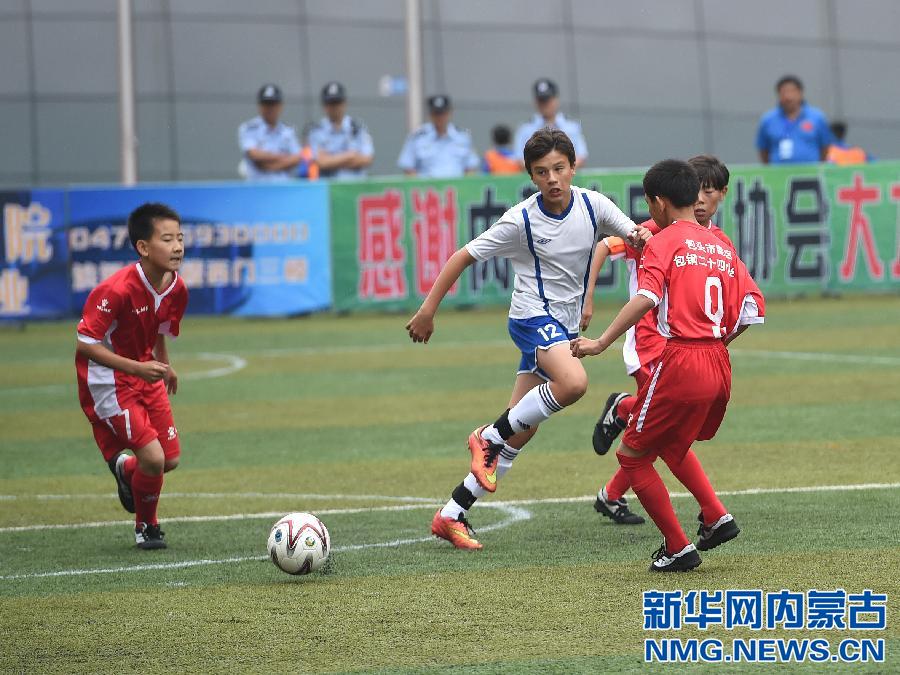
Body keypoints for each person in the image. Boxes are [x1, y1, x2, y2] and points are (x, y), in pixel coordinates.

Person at [406, 128, 650, 550]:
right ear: (531, 177)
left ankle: (452, 514)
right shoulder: (520, 219)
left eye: (559, 168)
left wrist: (641, 236)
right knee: (573, 383)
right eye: (542, 172)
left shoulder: (594, 205)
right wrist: (428, 310)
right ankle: (487, 436)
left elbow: (632, 234)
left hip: (563, 328)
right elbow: (462, 256)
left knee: (523, 427)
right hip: (531, 319)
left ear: (573, 167)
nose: (552, 178)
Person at [571, 159, 765, 572]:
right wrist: (716, 342)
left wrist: (602, 341)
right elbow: (750, 308)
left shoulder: (663, 240)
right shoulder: (720, 244)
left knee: (634, 457)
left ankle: (677, 546)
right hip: (719, 361)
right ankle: (715, 517)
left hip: (679, 357)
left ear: (658, 202)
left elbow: (647, 298)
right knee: (674, 444)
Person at [75, 203, 189, 550]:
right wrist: (137, 368)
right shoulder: (116, 290)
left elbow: (159, 327)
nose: (178, 247)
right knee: (152, 459)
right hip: (108, 380)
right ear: (143, 247)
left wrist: (163, 363)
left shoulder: (176, 287)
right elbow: (85, 343)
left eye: (180, 238)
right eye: (167, 239)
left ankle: (126, 471)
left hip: (145, 372)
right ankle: (147, 527)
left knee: (169, 459)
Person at [756, 75, 834, 164]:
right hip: (778, 174)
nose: (788, 97)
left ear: (800, 93)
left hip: (810, 173)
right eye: (784, 92)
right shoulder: (768, 120)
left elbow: (825, 146)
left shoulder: (817, 117)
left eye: (792, 91)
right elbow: (763, 150)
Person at [397, 95, 480, 178]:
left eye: (443, 113)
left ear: (450, 112)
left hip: (457, 189)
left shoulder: (462, 137)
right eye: (436, 113)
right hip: (428, 189)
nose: (440, 117)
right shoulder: (417, 138)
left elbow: (471, 168)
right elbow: (408, 168)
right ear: (430, 114)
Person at [514, 78, 588, 168]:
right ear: (535, 102)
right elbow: (519, 159)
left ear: (556, 100)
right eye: (541, 100)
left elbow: (581, 156)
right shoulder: (525, 128)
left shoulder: (571, 126)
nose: (545, 104)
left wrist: (560, 171)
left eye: (547, 100)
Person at [307, 81, 374, 180]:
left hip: (355, 187)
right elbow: (321, 163)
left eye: (337, 102)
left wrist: (332, 160)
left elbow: (367, 159)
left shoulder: (358, 127)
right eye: (331, 103)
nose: (335, 107)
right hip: (329, 190)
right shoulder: (316, 131)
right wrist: (350, 156)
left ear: (344, 103)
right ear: (324, 106)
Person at [237, 83, 303, 181]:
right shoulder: (249, 128)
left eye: (273, 104)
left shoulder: (288, 131)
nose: (270, 108)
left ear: (280, 106)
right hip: (257, 188)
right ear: (260, 106)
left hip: (283, 189)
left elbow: (297, 158)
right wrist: (283, 157)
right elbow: (254, 154)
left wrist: (269, 166)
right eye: (266, 104)